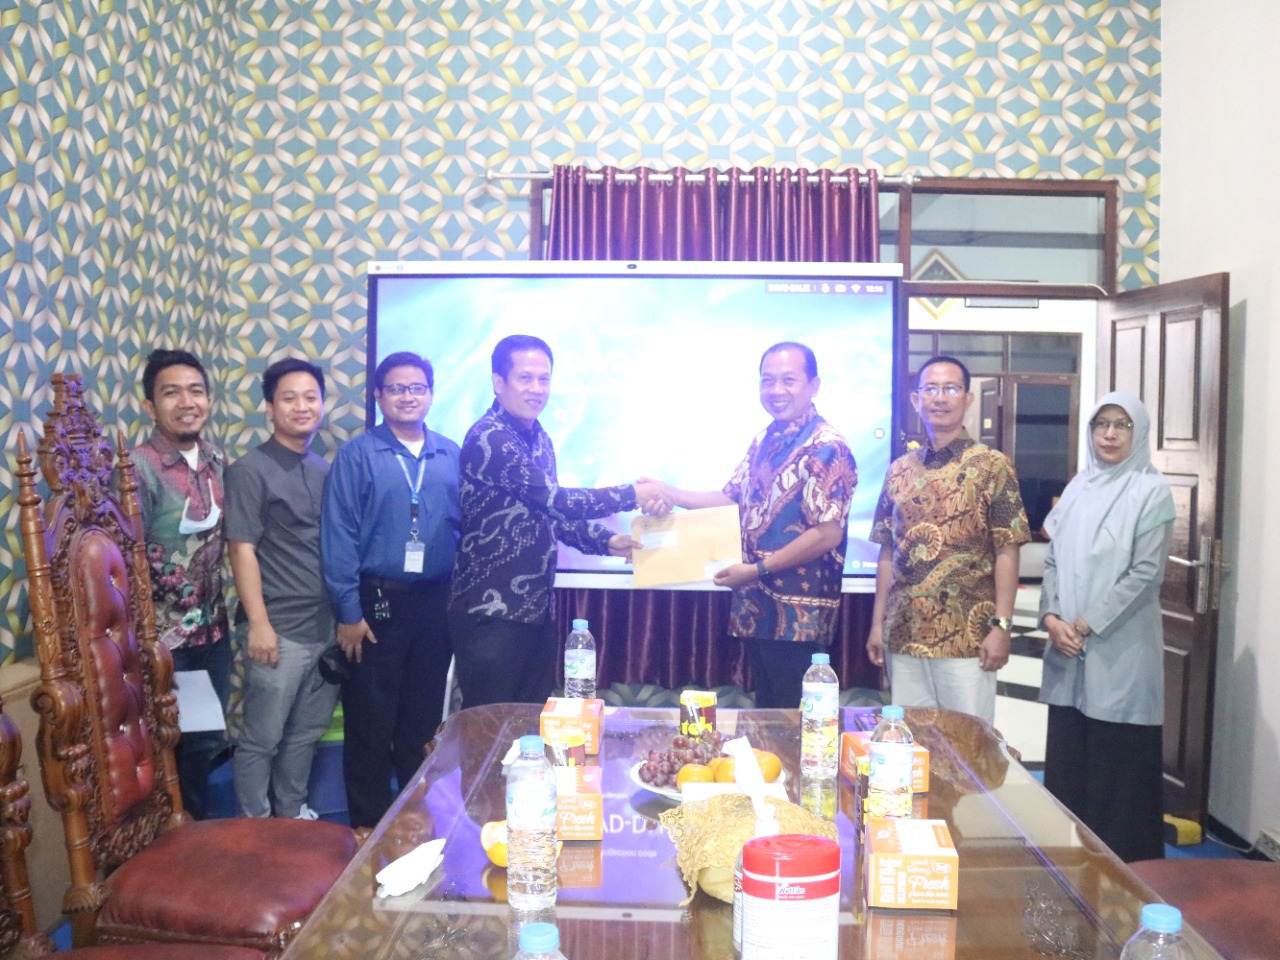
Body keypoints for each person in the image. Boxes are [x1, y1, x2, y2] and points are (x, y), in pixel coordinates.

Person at [643, 342, 858, 708]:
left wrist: (757, 569)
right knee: (769, 714)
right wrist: (668, 492)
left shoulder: (827, 445)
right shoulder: (765, 440)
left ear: (814, 385)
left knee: (797, 720)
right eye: (767, 381)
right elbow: (732, 500)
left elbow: (827, 533)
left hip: (799, 619)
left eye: (788, 380)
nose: (776, 390)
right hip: (758, 608)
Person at [448, 334, 658, 707]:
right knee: (489, 725)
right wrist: (632, 494)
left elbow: (550, 514)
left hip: (534, 609)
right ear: (498, 382)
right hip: (490, 612)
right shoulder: (490, 437)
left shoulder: (538, 437)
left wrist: (606, 541)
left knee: (529, 720)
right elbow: (555, 499)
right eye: (525, 378)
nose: (537, 389)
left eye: (544, 379)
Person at [320, 351, 459, 828]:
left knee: (422, 721)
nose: (407, 396)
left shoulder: (449, 454)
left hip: (434, 603)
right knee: (370, 722)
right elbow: (338, 535)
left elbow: (464, 529)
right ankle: (367, 828)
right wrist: (347, 612)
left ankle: (414, 822)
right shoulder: (358, 455)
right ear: (379, 396)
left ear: (431, 394)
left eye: (417, 388)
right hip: (374, 604)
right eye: (396, 388)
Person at [1038, 392, 1175, 862]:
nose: (1110, 434)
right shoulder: (1080, 486)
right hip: (1067, 651)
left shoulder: (1151, 491)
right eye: (1102, 424)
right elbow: (1053, 560)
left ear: (1139, 432)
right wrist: (1052, 618)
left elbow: (1145, 573)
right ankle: (1071, 872)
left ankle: (1123, 881)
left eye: (1122, 425)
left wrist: (1084, 624)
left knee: (1117, 778)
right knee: (1069, 772)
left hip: (1120, 652)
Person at [865, 355, 1030, 725]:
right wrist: (878, 623)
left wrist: (1003, 627)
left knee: (968, 743)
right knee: (909, 742)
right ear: (916, 399)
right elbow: (887, 551)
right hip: (904, 635)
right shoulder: (899, 470)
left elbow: (1008, 549)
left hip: (967, 639)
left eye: (951, 389)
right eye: (931, 389)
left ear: (967, 399)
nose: (940, 398)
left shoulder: (993, 466)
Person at [225, 357, 337, 820]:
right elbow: (241, 549)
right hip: (278, 630)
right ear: (270, 408)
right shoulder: (249, 470)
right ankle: (254, 828)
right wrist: (258, 624)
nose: (302, 406)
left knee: (305, 734)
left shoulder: (323, 468)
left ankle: (291, 818)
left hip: (324, 628)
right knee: (262, 739)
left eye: (311, 397)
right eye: (289, 398)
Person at [131, 348, 229, 819]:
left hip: (214, 632)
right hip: (165, 643)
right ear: (150, 407)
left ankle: (196, 833)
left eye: (196, 391)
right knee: (169, 746)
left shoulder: (215, 459)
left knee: (205, 741)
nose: (187, 402)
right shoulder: (137, 468)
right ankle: (174, 840)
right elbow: (124, 560)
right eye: (172, 393)